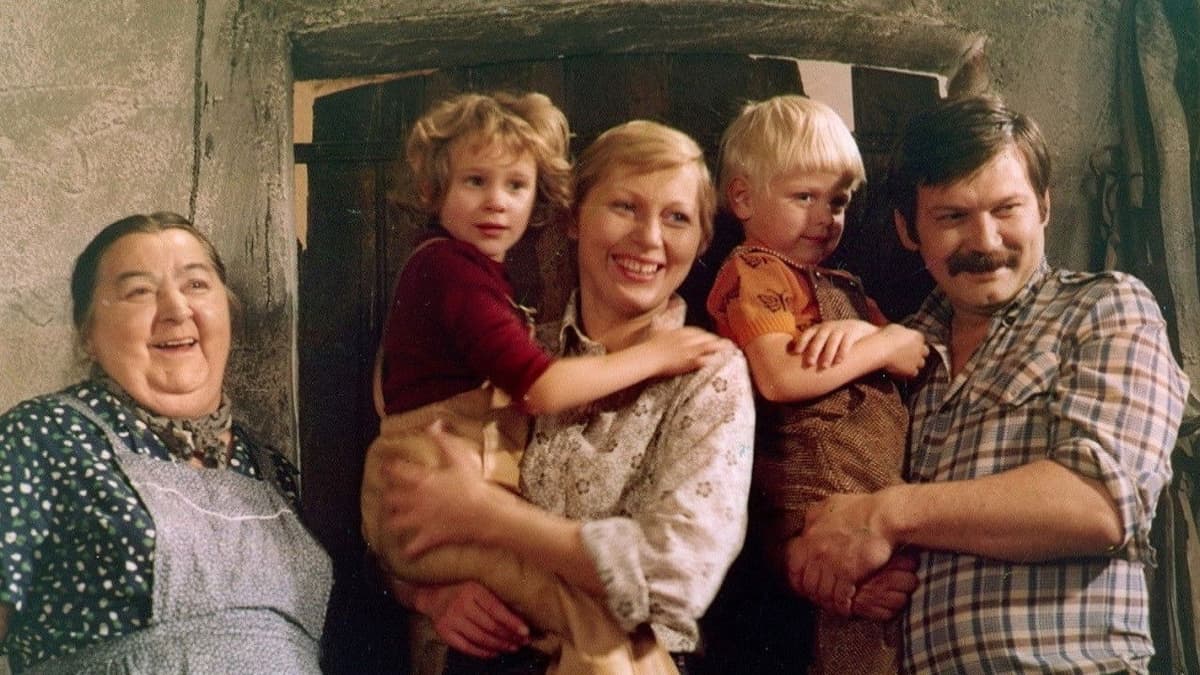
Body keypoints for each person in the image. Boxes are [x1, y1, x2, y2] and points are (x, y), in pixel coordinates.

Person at [787, 95, 1190, 673]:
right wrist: (818, 564)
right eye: (952, 217)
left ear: (1043, 207)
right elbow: (826, 502)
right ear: (908, 229)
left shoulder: (1107, 309)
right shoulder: (889, 356)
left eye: (1007, 209)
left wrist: (889, 513)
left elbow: (1096, 503)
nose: (985, 240)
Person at [362, 120, 756, 675]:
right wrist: (429, 596)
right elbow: (403, 503)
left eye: (677, 218)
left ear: (702, 241)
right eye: (625, 206)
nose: (649, 238)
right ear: (574, 219)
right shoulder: (516, 353)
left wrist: (488, 517)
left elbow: (676, 577)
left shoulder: (709, 374)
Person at [0, 212, 331, 673]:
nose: (177, 310)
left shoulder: (271, 469)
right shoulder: (43, 436)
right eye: (139, 291)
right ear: (87, 333)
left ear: (227, 312)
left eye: (196, 285)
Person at [704, 95, 927, 674]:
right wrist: (882, 343)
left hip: (876, 484)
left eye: (838, 201)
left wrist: (874, 335)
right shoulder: (754, 270)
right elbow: (779, 376)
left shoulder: (843, 285)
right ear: (743, 198)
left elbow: (913, 360)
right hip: (811, 497)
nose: (825, 218)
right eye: (804, 197)